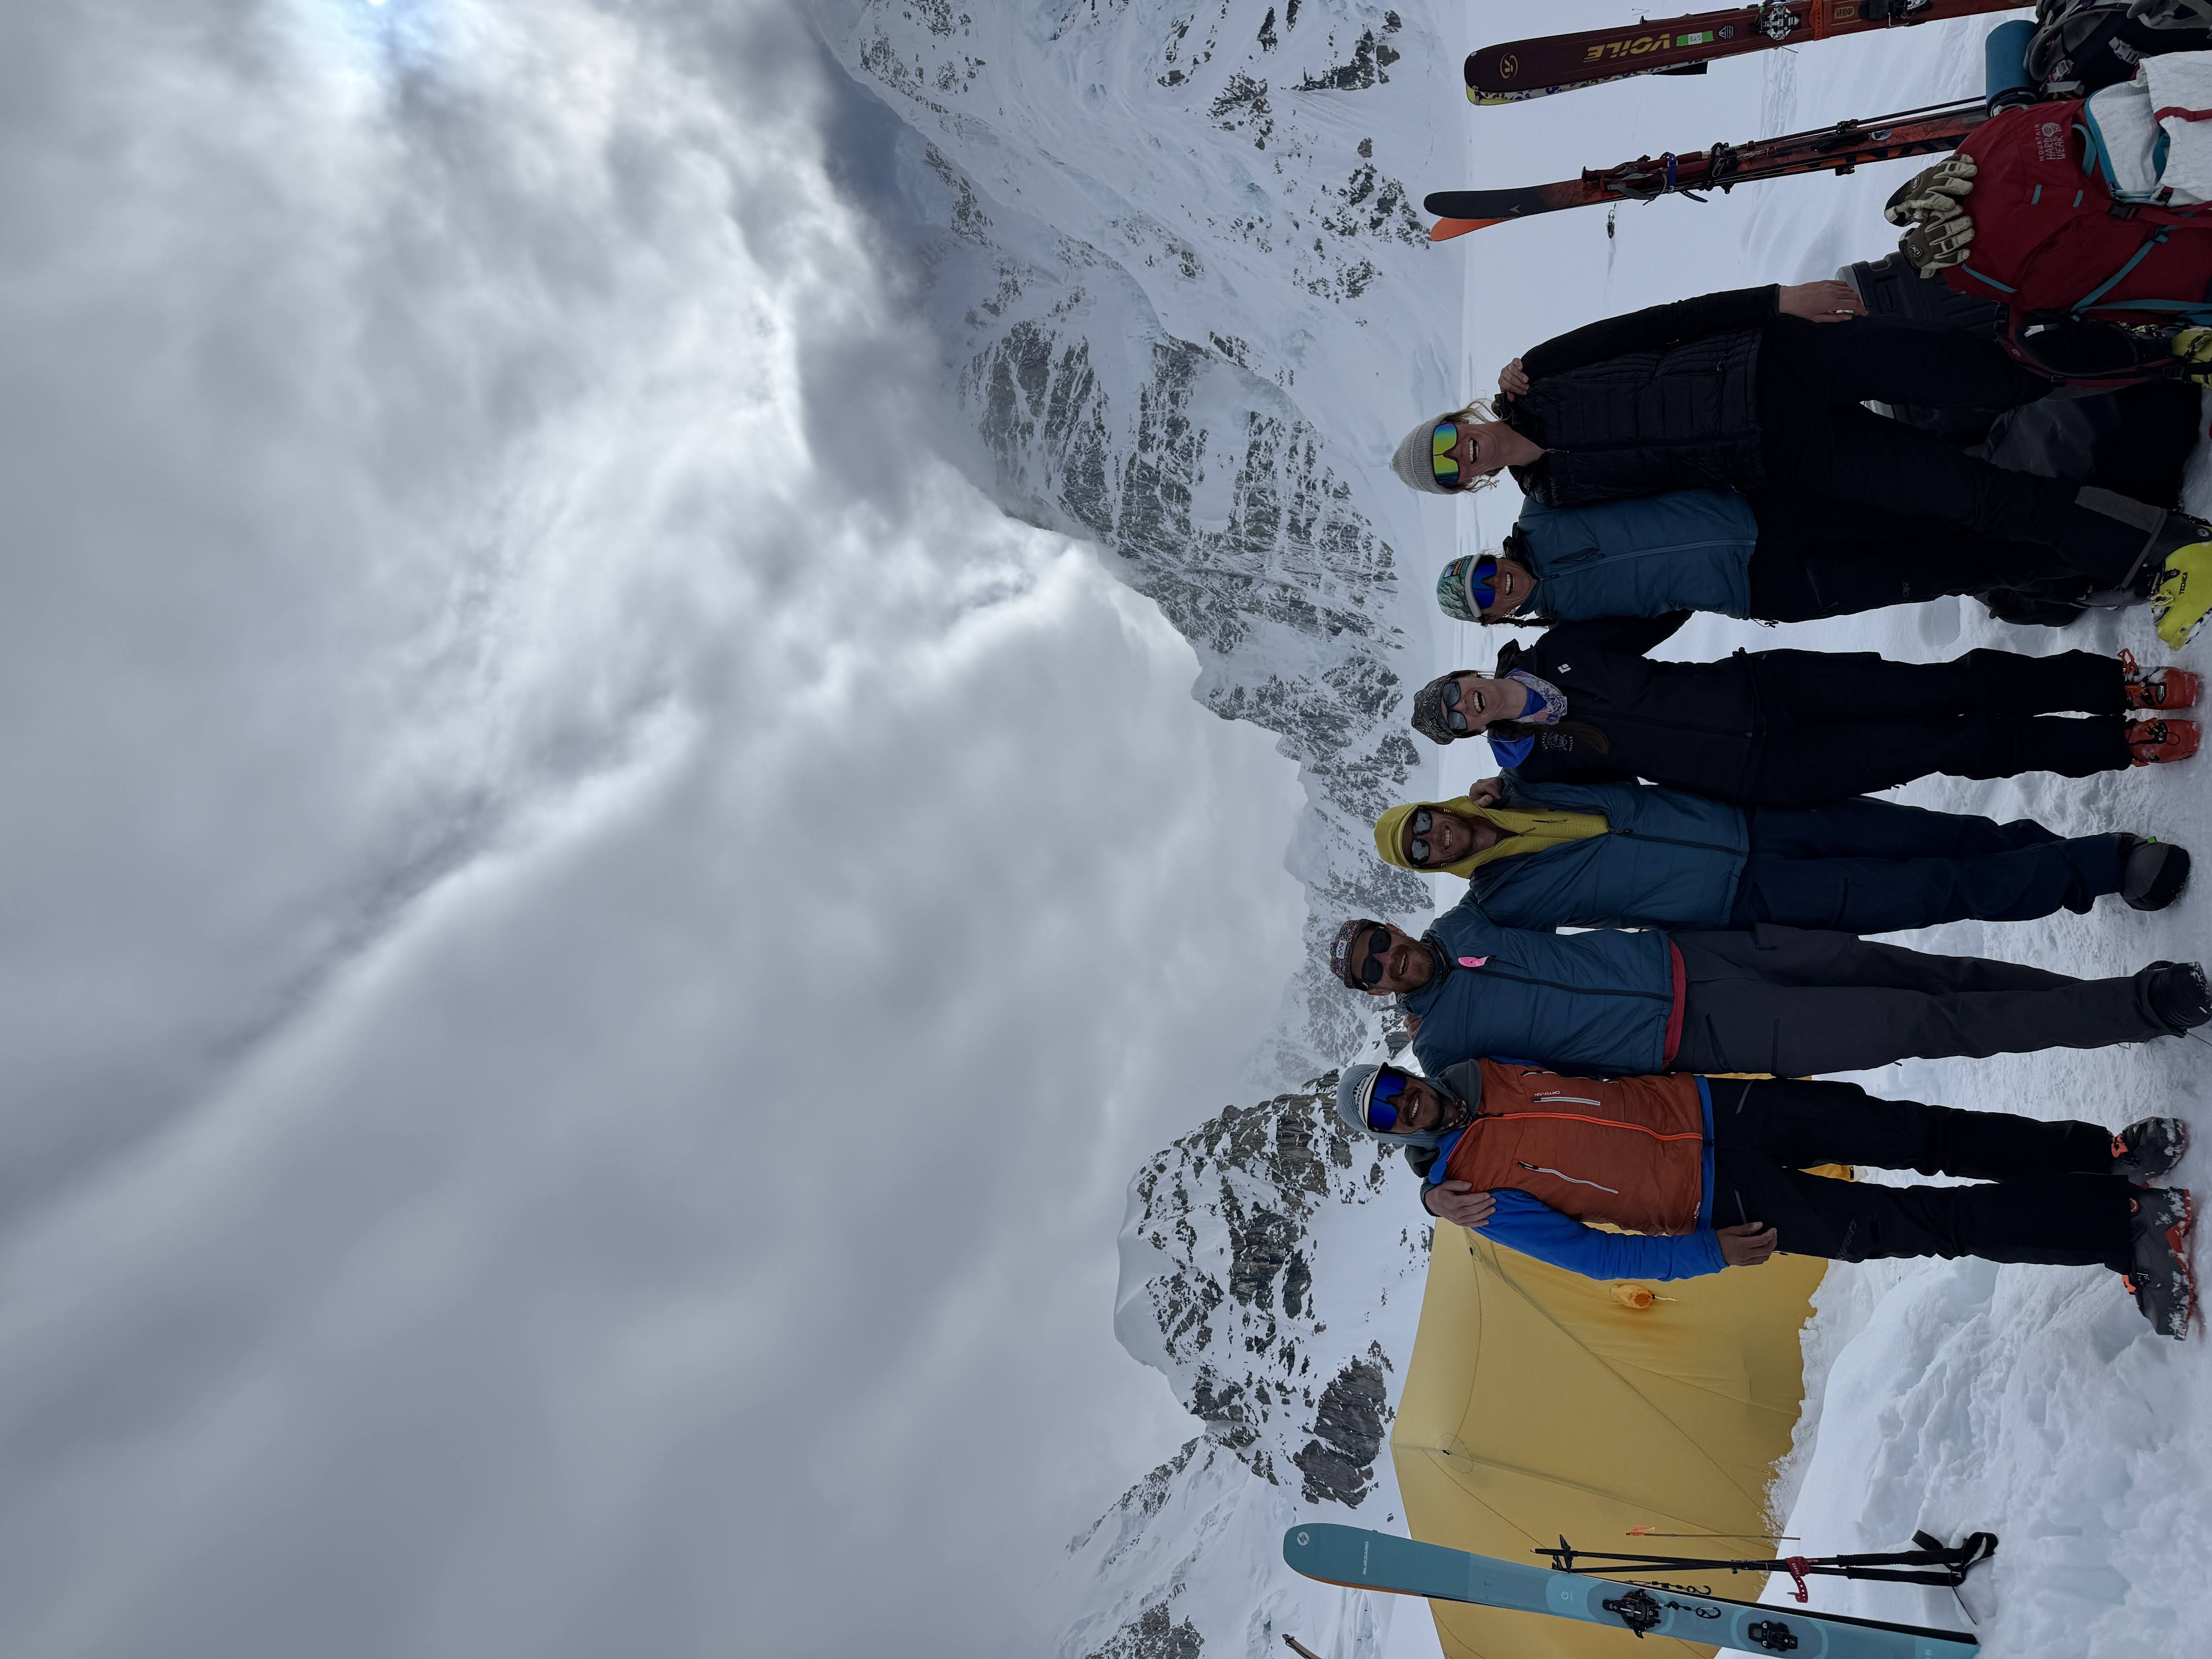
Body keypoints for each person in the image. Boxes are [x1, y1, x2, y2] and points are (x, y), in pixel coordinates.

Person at [1388, 281, 2212, 645]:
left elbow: (1662, 323)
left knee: (1987, 377)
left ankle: (2160, 351)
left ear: (1458, 420)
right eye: (1451, 470)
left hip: (1781, 362)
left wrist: (1777, 302)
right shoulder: (1559, 494)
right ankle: (2169, 552)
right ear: (1472, 485)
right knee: (1974, 499)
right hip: (1793, 456)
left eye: (1446, 440)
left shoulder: (1541, 370)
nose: (1460, 453)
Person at [1331, 1060, 2197, 1338]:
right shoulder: (1468, 1193)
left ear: (1403, 1072)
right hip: (1720, 1202)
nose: (1399, 1102)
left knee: (1920, 1131)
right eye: (1384, 1114)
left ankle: (2101, 1157)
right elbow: (1594, 1255)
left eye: (1389, 1086)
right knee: (1927, 1224)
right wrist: (1708, 1252)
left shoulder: (1478, 1060)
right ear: (1391, 1137)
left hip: (1725, 1104)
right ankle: (2123, 1232)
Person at [1405, 616, 2198, 806]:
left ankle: (2112, 686)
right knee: (1948, 748)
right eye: (1458, 717)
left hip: (1771, 688)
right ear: (1473, 732)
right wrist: (1509, 800)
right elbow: (1590, 813)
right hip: (1767, 769)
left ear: (1468, 671)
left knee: (1948, 685)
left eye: (1455, 691)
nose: (1465, 704)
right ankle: (2124, 744)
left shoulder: (1561, 644)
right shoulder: (1540, 764)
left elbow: (1658, 606)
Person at [1323, 912, 2211, 1080]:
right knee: (1921, 1022)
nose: (1391, 960)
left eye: (1383, 942)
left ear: (1392, 928)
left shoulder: (1473, 917)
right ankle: (2138, 1006)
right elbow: (1466, 1126)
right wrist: (1433, 1188)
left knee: (1919, 975)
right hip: (1705, 1036)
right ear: (1374, 991)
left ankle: (2099, 1004)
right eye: (1375, 967)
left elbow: (1529, 834)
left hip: (1702, 954)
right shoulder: (1442, 1051)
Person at [1371, 775, 2190, 932]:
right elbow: (1463, 966)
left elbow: (1558, 710)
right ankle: (2106, 866)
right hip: (1745, 900)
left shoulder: (1530, 779)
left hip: (1756, 816)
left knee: (1934, 839)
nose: (1434, 838)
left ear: (1433, 809)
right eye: (1420, 851)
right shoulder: (1500, 906)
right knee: (1930, 892)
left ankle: (2056, 862)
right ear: (1429, 869)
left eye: (1423, 823)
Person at [1431, 489, 2136, 628]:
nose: (1498, 586)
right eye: (1486, 598)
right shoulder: (1569, 629)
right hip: (1769, 587)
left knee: (1933, 505)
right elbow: (1650, 629)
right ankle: (2096, 566)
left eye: (1484, 573)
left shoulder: (1543, 509)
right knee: (1949, 569)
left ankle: (2102, 526)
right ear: (1496, 618)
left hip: (1768, 509)